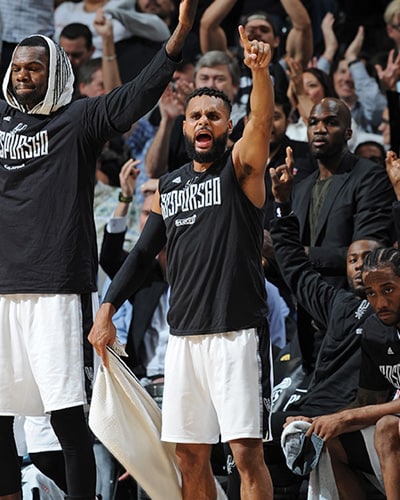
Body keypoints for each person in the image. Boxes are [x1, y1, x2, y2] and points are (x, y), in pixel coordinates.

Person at [0, 1, 198, 498]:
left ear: (55, 74)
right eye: (18, 68)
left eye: (34, 68)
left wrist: (176, 40)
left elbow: (135, 97)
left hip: (57, 290)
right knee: (0, 419)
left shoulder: (79, 119)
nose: (24, 76)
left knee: (66, 418)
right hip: (3, 290)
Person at [89, 25, 275, 500]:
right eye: (195, 116)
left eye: (214, 116)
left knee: (244, 455)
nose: (203, 123)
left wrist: (259, 73)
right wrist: (107, 308)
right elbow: (141, 252)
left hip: (236, 333)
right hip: (184, 337)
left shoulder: (240, 171)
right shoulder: (169, 187)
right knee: (188, 456)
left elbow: (260, 123)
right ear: (186, 124)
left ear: (227, 126)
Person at [259, 146, 384, 497]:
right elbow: (295, 268)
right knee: (258, 434)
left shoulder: (394, 315)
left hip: (364, 417)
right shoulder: (340, 304)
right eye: (353, 259)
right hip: (318, 409)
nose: (360, 265)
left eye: (368, 258)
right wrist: (282, 205)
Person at [145, 49, 241, 179]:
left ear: (235, 86)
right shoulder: (182, 120)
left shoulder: (244, 120)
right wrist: (167, 121)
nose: (211, 85)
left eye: (219, 79)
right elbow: (153, 171)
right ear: (195, 84)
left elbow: (243, 162)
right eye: (204, 78)